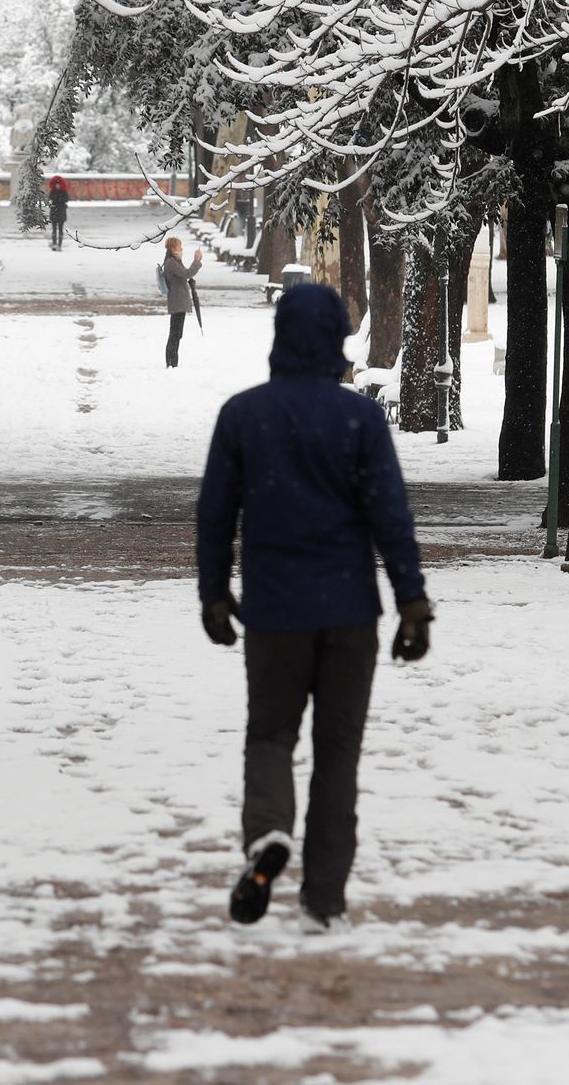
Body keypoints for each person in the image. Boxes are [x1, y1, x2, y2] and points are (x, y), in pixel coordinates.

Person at [195, 283, 431, 934]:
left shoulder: (243, 415)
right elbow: (390, 514)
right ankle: (323, 898)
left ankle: (268, 831)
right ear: (337, 342)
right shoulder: (358, 419)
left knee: (270, 735)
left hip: (274, 613)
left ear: (279, 337)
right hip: (349, 613)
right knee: (337, 755)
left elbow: (216, 514)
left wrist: (213, 593)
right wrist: (411, 601)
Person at [162, 236, 202, 368]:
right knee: (175, 334)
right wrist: (196, 260)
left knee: (177, 334)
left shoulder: (175, 261)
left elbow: (185, 275)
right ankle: (171, 363)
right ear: (173, 249)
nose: (182, 249)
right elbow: (187, 273)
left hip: (179, 302)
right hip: (177, 302)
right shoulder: (171, 263)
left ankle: (173, 363)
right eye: (180, 247)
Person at [47, 175, 70, 252]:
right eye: (56, 184)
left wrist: (58, 199)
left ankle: (59, 245)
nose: (57, 186)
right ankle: (54, 244)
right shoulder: (52, 191)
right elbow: (50, 198)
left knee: (60, 229)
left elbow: (66, 199)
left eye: (58, 184)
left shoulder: (64, 191)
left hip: (61, 212)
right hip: (54, 212)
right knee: (54, 230)